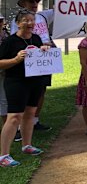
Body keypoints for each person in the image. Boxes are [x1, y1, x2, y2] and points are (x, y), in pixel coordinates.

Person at [0, 10, 50, 167]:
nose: (30, 23)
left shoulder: (35, 38)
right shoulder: (10, 41)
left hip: (35, 81)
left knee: (30, 113)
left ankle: (27, 145)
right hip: (16, 82)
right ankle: (4, 155)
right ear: (18, 23)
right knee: (14, 116)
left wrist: (43, 51)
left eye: (32, 20)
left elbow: (40, 55)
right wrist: (16, 59)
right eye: (26, 20)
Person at [11, 0, 54, 131]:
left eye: (36, 2)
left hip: (44, 59)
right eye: (31, 2)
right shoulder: (17, 21)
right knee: (24, 91)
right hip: (28, 59)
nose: (35, 5)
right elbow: (15, 39)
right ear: (24, 4)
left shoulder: (42, 16)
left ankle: (34, 120)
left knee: (41, 90)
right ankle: (18, 125)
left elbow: (61, 9)